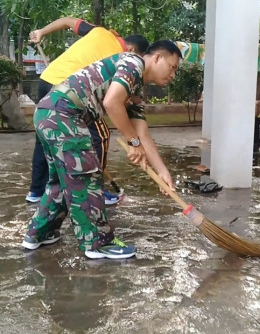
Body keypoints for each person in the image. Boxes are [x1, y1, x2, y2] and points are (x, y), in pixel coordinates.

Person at [21, 40, 182, 260]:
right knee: (86, 177)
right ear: (157, 58)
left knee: (61, 180)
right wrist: (133, 143)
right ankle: (96, 243)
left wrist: (163, 171)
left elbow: (143, 133)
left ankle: (38, 233)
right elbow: (112, 103)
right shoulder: (134, 63)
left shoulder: (135, 89)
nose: (173, 75)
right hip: (64, 114)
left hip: (49, 113)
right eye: (172, 67)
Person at [26, 17, 149, 205]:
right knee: (100, 136)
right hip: (67, 91)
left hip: (46, 81)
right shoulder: (124, 59)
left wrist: (42, 31)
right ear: (132, 51)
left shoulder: (100, 32)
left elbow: (68, 21)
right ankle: (95, 192)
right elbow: (112, 101)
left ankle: (36, 192)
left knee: (45, 138)